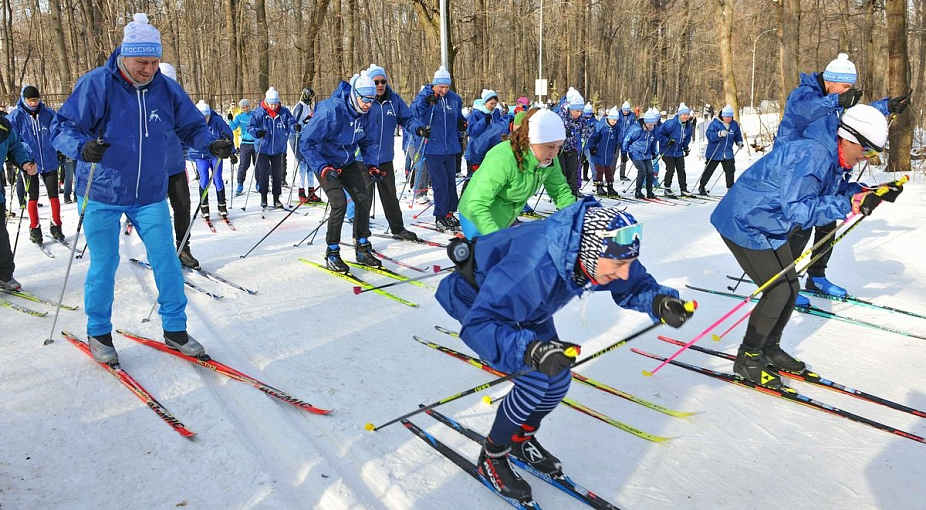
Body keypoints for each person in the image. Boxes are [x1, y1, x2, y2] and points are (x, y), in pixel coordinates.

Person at [436, 196, 694, 501]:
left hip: (530, 306)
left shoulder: (595, 247)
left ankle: (521, 436)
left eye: (627, 263)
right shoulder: (531, 267)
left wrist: (659, 300)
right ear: (589, 255)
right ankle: (493, 455)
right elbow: (480, 324)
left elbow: (633, 282)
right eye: (617, 265)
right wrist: (531, 350)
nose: (623, 273)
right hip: (481, 303)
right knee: (534, 380)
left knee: (558, 379)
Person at [50, 12, 233, 365]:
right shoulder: (97, 84)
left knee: (166, 259)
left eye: (153, 61)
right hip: (102, 191)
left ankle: (175, 328)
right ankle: (99, 331)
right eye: (141, 62)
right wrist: (81, 148)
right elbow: (63, 127)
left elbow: (192, 127)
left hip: (149, 192)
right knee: (104, 262)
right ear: (124, 55)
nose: (148, 69)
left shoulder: (165, 88)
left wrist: (211, 144)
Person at [710, 104, 900, 389]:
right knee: (777, 292)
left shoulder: (833, 155)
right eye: (867, 151)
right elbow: (799, 210)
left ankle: (769, 348)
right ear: (848, 139)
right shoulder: (812, 155)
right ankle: (747, 358)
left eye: (873, 154)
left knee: (791, 288)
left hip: (770, 223)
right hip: (745, 220)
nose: (866, 159)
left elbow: (830, 192)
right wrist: (849, 203)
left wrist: (869, 193)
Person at [775, 53, 908, 302]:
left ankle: (816, 276)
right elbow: (806, 111)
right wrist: (838, 100)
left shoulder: (834, 99)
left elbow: (851, 115)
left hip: (826, 167)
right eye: (845, 86)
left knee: (827, 220)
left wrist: (886, 107)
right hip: (798, 167)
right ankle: (781, 282)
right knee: (801, 224)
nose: (848, 91)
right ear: (831, 80)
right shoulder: (804, 94)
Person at [300, 71, 382, 273]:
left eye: (372, 100)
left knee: (363, 199)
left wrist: (372, 165)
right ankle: (332, 251)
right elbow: (306, 142)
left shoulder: (368, 113)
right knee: (339, 204)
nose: (368, 104)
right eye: (365, 99)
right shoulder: (330, 111)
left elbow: (368, 141)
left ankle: (362, 246)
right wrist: (322, 167)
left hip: (348, 162)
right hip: (326, 162)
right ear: (354, 95)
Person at [458, 108, 575, 239]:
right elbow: (477, 204)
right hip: (477, 219)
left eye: (559, 146)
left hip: (507, 216)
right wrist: (496, 238)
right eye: (550, 146)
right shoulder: (503, 158)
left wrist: (577, 219)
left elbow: (560, 191)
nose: (554, 153)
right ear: (532, 140)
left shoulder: (549, 160)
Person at [364, 64, 424, 240]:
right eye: (376, 82)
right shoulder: (365, 100)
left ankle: (398, 228)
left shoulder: (394, 100)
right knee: (364, 198)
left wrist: (418, 129)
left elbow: (407, 118)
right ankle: (361, 235)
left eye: (383, 81)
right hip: (364, 159)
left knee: (390, 195)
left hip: (384, 157)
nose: (380, 85)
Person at [411, 66, 466, 231]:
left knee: (450, 182)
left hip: (451, 147)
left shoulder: (454, 98)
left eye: (447, 87)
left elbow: (458, 116)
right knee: (440, 184)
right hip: (433, 147)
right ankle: (440, 215)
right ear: (434, 84)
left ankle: (449, 213)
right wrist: (427, 101)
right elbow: (414, 112)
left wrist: (462, 123)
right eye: (441, 87)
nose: (444, 90)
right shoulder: (425, 96)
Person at [9, 85, 64, 244]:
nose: (33, 103)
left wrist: (59, 148)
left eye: (36, 100)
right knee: (33, 197)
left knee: (54, 195)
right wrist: (24, 156)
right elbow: (14, 140)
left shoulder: (48, 114)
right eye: (30, 100)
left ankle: (56, 226)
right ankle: (35, 228)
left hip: (49, 160)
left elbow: (57, 132)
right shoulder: (16, 116)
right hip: (29, 163)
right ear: (23, 99)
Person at [158, 63, 200, 269]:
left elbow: (193, 126)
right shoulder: (145, 102)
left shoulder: (179, 103)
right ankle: (162, 251)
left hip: (175, 166)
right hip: (151, 170)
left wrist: (213, 144)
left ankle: (183, 248)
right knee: (157, 213)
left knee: (183, 207)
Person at [0, 117, 37, 290]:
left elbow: (15, 147)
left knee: (0, 237)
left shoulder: (4, 126)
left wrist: (24, 163)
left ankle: (5, 275)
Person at [247, 87, 295, 209]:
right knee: (264, 173)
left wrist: (296, 127)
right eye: (271, 104)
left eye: (275, 103)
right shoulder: (259, 112)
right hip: (262, 148)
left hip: (278, 148)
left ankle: (276, 198)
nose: (273, 106)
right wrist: (257, 133)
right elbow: (250, 127)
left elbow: (291, 123)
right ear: (266, 102)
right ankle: (263, 197)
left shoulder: (284, 112)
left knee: (277, 174)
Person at [189, 100, 233, 218]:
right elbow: (186, 139)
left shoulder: (217, 121)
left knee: (218, 179)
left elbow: (228, 135)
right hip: (201, 156)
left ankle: (222, 205)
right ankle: (204, 207)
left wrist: (231, 151)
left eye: (207, 116)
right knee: (204, 179)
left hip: (215, 155)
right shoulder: (193, 123)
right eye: (203, 117)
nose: (205, 119)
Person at [463, 89, 510, 190]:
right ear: (485, 102)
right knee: (472, 179)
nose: (493, 106)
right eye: (491, 103)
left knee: (487, 179)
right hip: (475, 151)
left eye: (495, 103)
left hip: (490, 151)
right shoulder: (476, 114)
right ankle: (464, 199)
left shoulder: (496, 113)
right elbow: (471, 131)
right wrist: (483, 121)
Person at [556, 88, 594, 197]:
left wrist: (586, 133)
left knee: (573, 174)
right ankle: (562, 199)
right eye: (577, 111)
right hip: (559, 149)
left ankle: (572, 198)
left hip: (572, 148)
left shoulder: (580, 118)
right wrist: (562, 133)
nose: (579, 113)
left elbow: (585, 129)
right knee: (562, 174)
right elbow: (551, 131)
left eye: (581, 111)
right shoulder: (560, 115)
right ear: (570, 108)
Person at [698, 104, 743, 195]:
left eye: (730, 117)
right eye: (726, 116)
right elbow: (709, 135)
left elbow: (737, 135)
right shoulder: (715, 123)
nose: (728, 118)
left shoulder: (734, 124)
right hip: (714, 152)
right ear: (722, 116)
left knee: (730, 171)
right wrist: (718, 134)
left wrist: (739, 142)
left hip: (728, 152)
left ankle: (730, 189)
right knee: (709, 171)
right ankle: (702, 186)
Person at [657, 102, 694, 197]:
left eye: (687, 114)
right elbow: (660, 134)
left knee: (681, 170)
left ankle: (684, 189)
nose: (686, 117)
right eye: (684, 114)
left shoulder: (688, 126)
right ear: (679, 114)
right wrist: (667, 141)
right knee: (670, 169)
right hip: (667, 150)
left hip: (678, 151)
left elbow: (687, 138)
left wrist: (685, 148)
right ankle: (667, 188)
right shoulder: (671, 124)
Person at [623, 107, 661, 199]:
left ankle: (649, 191)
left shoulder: (654, 130)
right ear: (645, 122)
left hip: (646, 153)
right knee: (642, 170)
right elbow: (627, 140)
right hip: (635, 152)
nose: (652, 127)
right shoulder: (636, 129)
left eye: (653, 125)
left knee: (651, 171)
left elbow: (653, 142)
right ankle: (638, 191)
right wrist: (624, 153)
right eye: (650, 125)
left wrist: (653, 152)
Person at [291, 87, 320, 203]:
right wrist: (299, 125)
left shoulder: (307, 106)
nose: (311, 99)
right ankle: (301, 191)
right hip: (296, 137)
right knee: (302, 164)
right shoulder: (300, 106)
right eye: (310, 97)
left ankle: (311, 191)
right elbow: (294, 123)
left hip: (306, 136)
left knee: (310, 165)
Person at [587, 106, 622, 197]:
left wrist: (616, 147)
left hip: (609, 152)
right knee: (599, 170)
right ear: (608, 118)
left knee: (608, 170)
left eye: (615, 120)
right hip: (599, 151)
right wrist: (592, 147)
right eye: (612, 120)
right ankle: (599, 186)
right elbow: (593, 137)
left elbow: (618, 138)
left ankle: (610, 187)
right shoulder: (601, 126)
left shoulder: (616, 128)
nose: (614, 122)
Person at [229, 99, 256, 196]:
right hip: (245, 143)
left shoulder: (254, 115)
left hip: (256, 142)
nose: (246, 109)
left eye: (247, 107)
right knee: (244, 165)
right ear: (241, 108)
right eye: (243, 107)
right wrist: (230, 120)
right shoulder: (239, 117)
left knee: (258, 164)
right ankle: (240, 184)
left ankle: (259, 183)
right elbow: (233, 127)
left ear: (250, 106)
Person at [615, 101, 636, 181]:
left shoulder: (632, 116)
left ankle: (622, 175)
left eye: (627, 110)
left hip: (626, 140)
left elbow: (633, 127)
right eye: (624, 110)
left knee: (624, 157)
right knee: (614, 157)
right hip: (617, 139)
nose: (626, 112)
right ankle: (611, 174)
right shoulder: (618, 114)